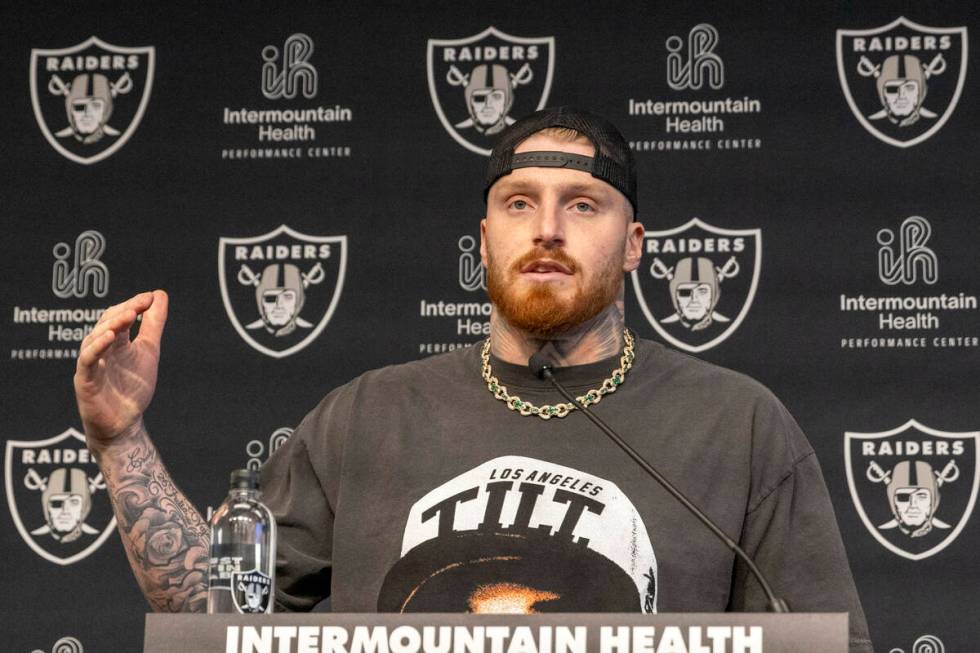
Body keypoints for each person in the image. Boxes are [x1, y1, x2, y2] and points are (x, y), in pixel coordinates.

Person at [74, 107, 873, 650]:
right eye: (520, 203)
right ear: (485, 238)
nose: (548, 229)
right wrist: (120, 438)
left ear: (634, 244)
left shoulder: (739, 424)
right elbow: (217, 623)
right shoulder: (365, 416)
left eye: (583, 205)